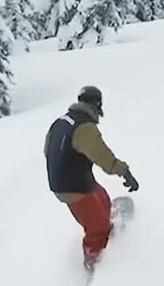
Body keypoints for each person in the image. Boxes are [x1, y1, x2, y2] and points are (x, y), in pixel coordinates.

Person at [44, 86, 139, 269]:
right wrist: (124, 172)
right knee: (97, 229)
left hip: (70, 179)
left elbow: (47, 148)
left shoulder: (61, 121)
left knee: (101, 196)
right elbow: (103, 156)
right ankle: (92, 261)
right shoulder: (84, 128)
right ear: (96, 106)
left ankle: (104, 213)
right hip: (72, 187)